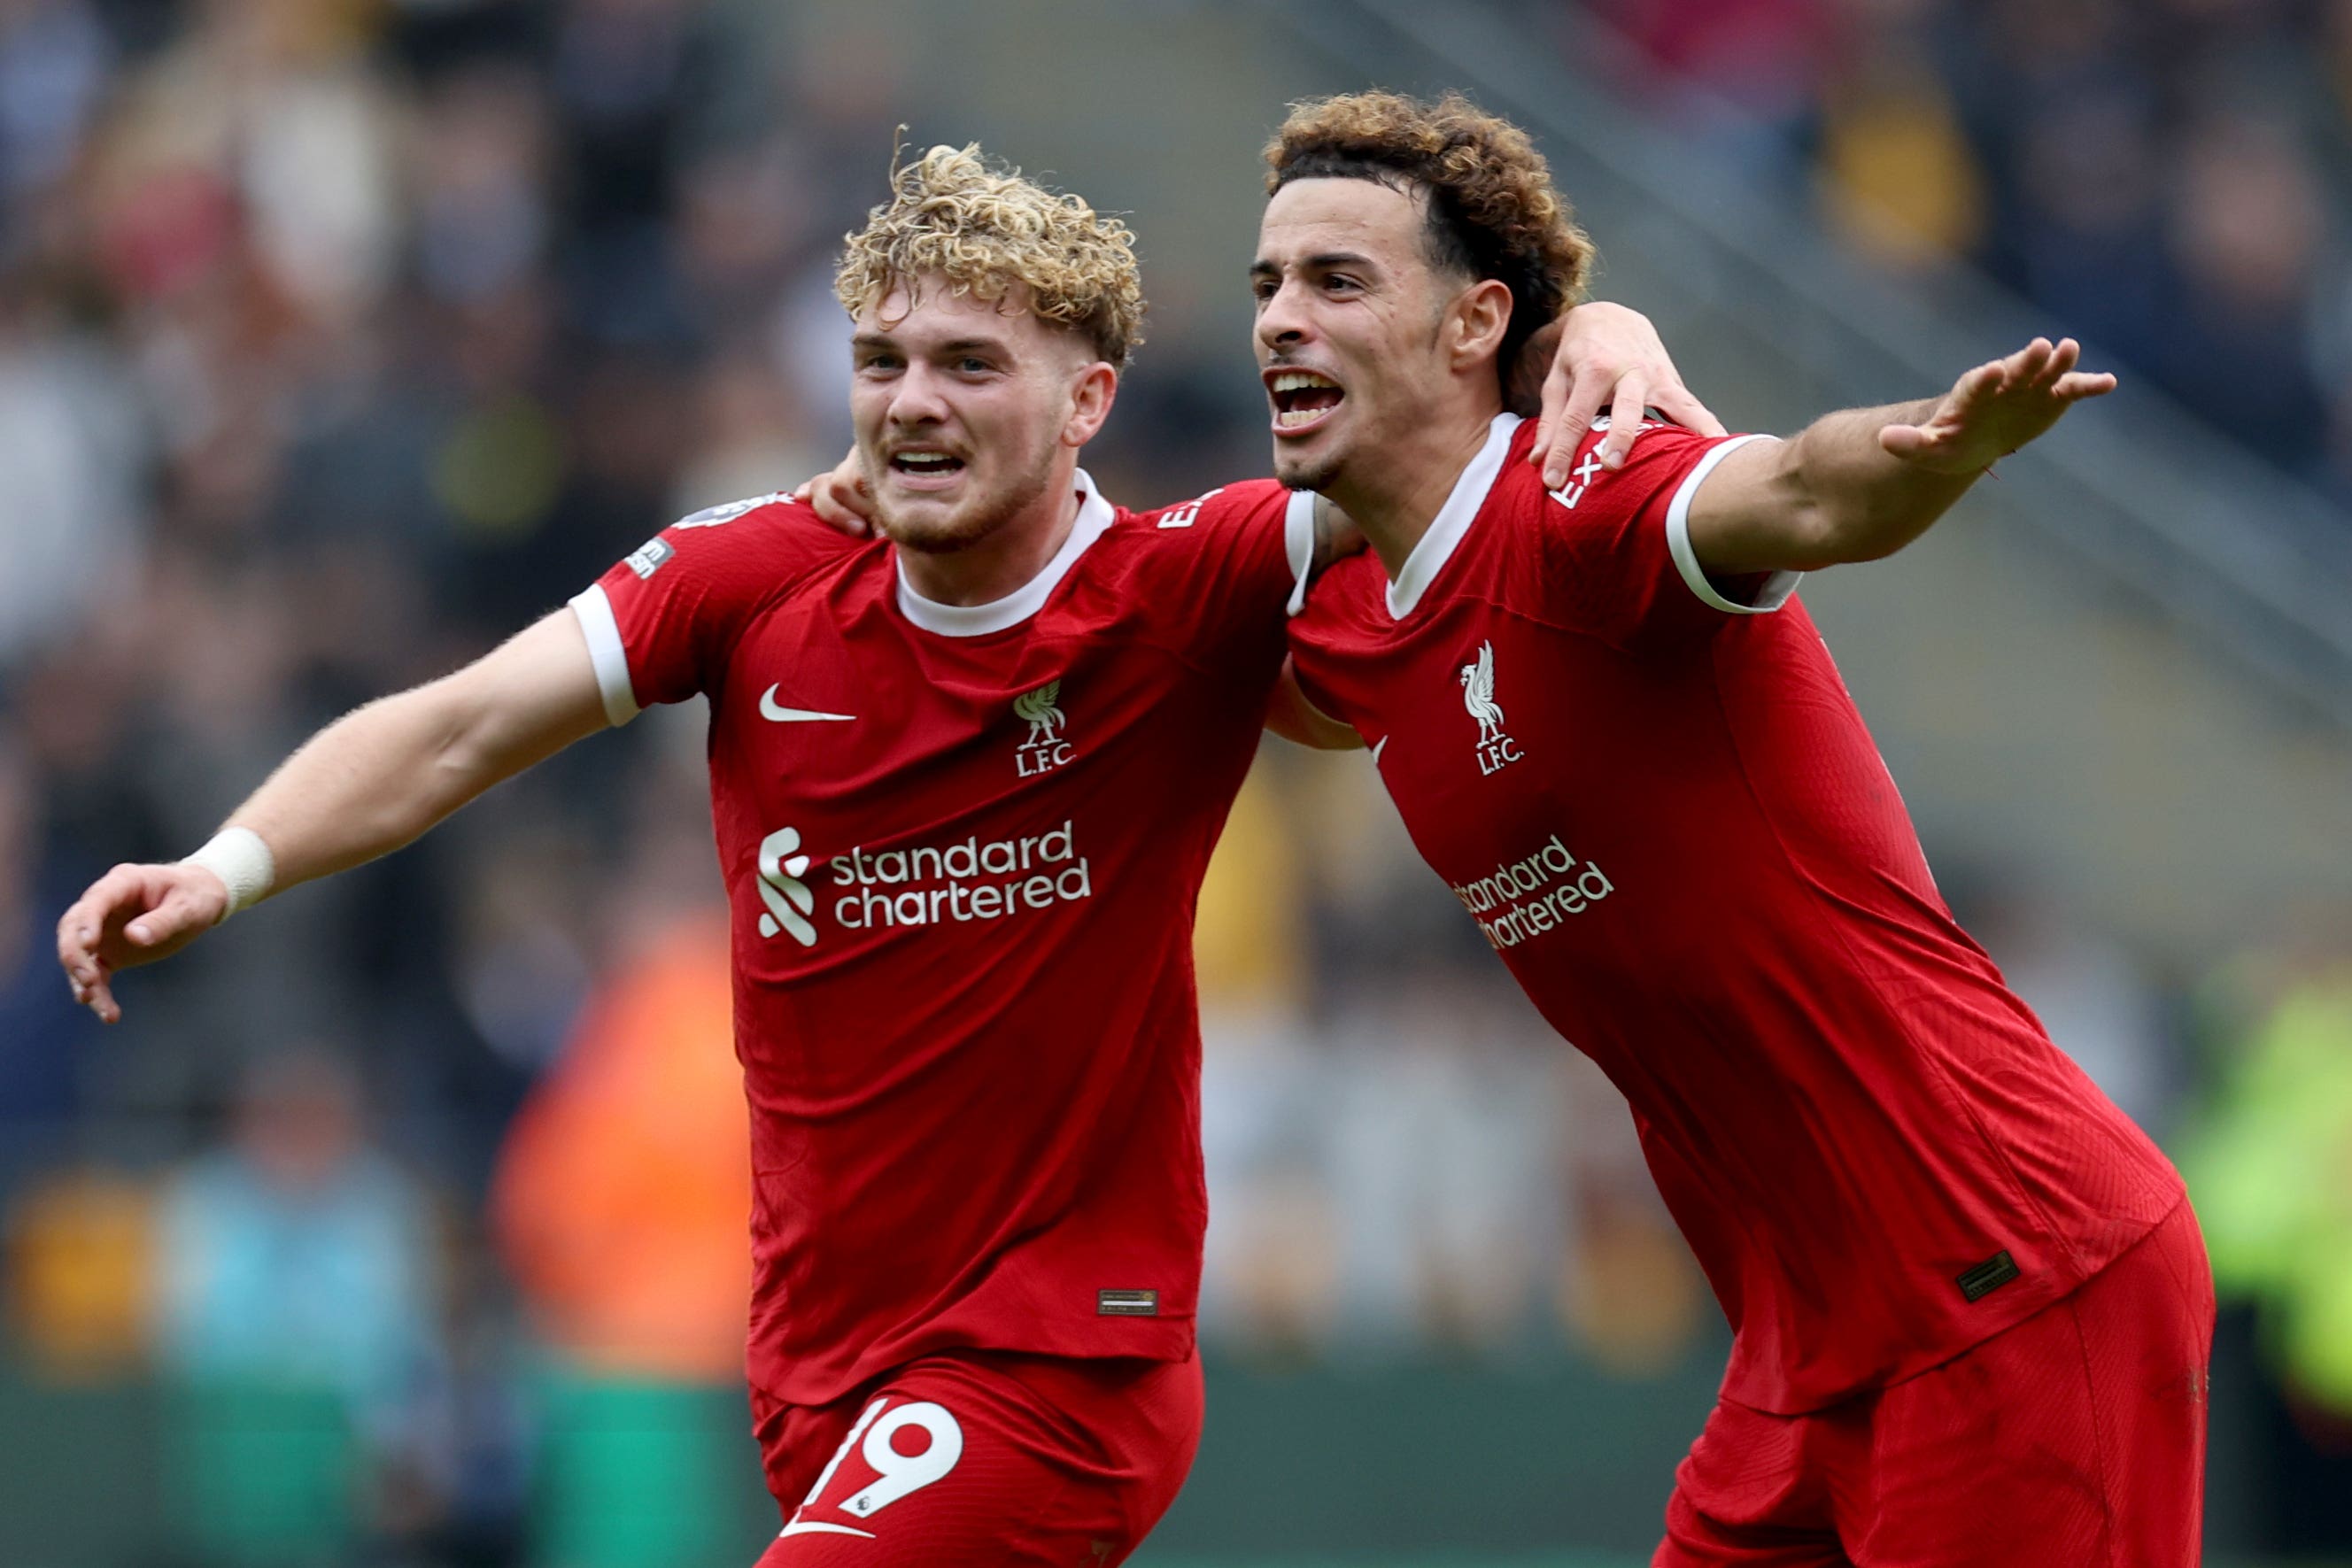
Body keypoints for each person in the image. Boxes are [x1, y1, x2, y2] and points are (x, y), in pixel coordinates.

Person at [55, 142, 1703, 1565]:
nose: (913, 399)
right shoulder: (752, 577)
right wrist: (234, 861)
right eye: (882, 360)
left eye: (971, 365)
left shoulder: (1180, 589)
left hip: (1057, 1362)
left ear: (1087, 401)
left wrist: (1593, 327)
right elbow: (465, 722)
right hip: (821, 1365)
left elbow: (1439, 439)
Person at [1260, 91, 2210, 1565]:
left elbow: (1800, 490)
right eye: (1267, 284)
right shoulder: (1345, 628)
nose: (1280, 321)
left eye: (1336, 281)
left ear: (1472, 324)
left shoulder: (1591, 498)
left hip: (2013, 1265)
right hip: (1805, 1345)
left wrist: (1936, 448)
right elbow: (1146, 635)